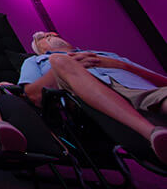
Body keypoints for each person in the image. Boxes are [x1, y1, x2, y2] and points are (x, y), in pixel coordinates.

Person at [19, 31, 167, 162]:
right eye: (44, 38)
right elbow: (33, 95)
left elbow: (161, 81)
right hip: (89, 99)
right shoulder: (35, 61)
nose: (50, 36)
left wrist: (121, 65)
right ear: (39, 50)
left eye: (53, 34)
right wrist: (61, 68)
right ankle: (153, 133)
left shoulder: (108, 55)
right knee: (59, 60)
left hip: (144, 91)